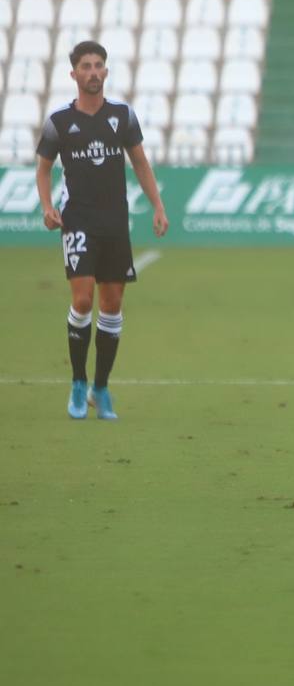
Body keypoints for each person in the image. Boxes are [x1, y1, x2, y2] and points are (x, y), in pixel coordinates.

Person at [34, 40, 169, 420]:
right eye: (86, 66)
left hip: (115, 221)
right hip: (78, 219)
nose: (93, 72)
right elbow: (43, 168)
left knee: (112, 306)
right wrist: (47, 206)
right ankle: (78, 382)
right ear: (73, 74)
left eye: (98, 66)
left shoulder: (122, 116)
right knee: (82, 301)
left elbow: (140, 163)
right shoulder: (59, 122)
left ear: (106, 72)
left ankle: (101, 388)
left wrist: (158, 205)